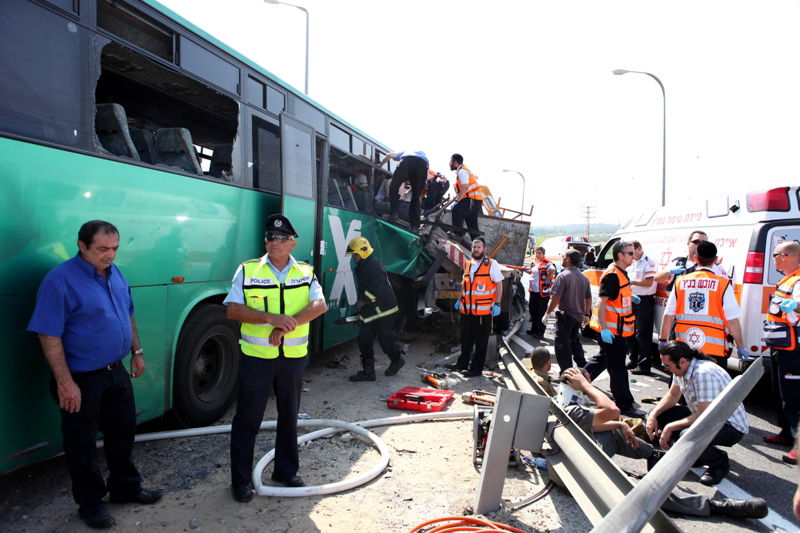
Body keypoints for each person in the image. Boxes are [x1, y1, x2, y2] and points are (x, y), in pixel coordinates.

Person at [27, 220, 162, 529]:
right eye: (102, 249)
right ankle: (90, 505)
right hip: (82, 379)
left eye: (114, 249)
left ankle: (126, 489)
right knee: (82, 444)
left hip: (116, 372)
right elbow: (49, 335)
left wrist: (137, 352)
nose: (110, 255)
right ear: (82, 245)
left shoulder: (116, 273)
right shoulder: (59, 281)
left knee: (123, 433)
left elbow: (127, 314)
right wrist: (66, 383)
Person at [562, 367, 767, 519]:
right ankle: (717, 506)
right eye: (585, 381)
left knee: (616, 428)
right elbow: (612, 411)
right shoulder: (570, 408)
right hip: (586, 472)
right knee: (641, 494)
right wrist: (588, 387)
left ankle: (654, 455)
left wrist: (622, 425)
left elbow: (594, 424)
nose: (588, 382)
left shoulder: (571, 408)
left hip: (585, 455)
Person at [226, 214, 328, 502]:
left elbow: (319, 305)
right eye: (271, 237)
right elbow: (233, 309)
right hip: (256, 358)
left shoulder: (306, 272)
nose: (275, 242)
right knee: (247, 419)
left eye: (282, 238)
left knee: (289, 417)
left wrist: (286, 325)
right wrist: (270, 318)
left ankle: (285, 471)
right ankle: (241, 481)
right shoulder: (247, 270)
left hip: (292, 358)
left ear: (293, 243)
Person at [646, 341, 749, 486]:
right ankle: (697, 455)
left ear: (682, 361)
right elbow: (672, 396)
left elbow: (704, 414)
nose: (666, 370)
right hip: (705, 415)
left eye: (667, 366)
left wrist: (670, 427)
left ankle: (719, 463)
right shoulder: (682, 368)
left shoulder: (703, 374)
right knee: (659, 414)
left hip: (729, 425)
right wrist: (653, 415)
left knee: (688, 435)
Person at [658, 241, 749, 364]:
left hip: (684, 348)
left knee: (683, 382)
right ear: (716, 259)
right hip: (714, 350)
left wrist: (663, 340)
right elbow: (733, 320)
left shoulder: (681, 282)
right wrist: (740, 346)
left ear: (696, 258)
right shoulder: (722, 284)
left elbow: (668, 314)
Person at [586, 241, 643, 418]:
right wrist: (604, 329)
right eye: (630, 253)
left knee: (603, 359)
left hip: (617, 330)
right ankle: (624, 404)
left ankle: (576, 382)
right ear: (620, 255)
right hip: (612, 331)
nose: (634, 257)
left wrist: (628, 297)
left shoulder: (619, 273)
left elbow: (614, 297)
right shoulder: (612, 275)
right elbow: (602, 303)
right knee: (618, 367)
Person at [345, 236, 405, 381]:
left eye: (355, 255)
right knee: (364, 339)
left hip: (385, 310)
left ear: (362, 253)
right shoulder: (364, 265)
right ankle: (368, 372)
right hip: (372, 309)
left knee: (385, 339)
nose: (353, 258)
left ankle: (397, 360)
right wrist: (362, 306)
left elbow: (375, 289)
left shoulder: (374, 266)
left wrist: (362, 302)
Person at [762, 240, 800, 464]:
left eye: (776, 255)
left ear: (786, 256)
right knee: (783, 395)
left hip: (794, 349)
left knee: (794, 397)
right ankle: (787, 433)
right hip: (782, 346)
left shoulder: (798, 281)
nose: (774, 258)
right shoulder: (787, 280)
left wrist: (793, 306)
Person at [446, 237, 504, 377]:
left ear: (484, 249)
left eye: (479, 247)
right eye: (474, 247)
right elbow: (464, 286)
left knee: (480, 341)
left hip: (483, 312)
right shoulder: (468, 264)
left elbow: (499, 284)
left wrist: (497, 303)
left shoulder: (491, 264)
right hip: (467, 310)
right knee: (465, 339)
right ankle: (462, 364)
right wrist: (460, 300)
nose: (476, 249)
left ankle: (476, 369)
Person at [543, 249, 591, 372]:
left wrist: (547, 313)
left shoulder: (563, 276)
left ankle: (567, 372)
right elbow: (588, 298)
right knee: (575, 343)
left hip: (566, 317)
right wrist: (586, 315)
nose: (562, 258)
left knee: (562, 347)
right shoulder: (584, 277)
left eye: (563, 256)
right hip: (577, 317)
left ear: (568, 260)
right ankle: (584, 368)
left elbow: (556, 298)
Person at [653, 230, 728, 287]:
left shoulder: (715, 265)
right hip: (679, 304)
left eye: (703, 242)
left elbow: (726, 286)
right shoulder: (678, 262)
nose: (700, 244)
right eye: (696, 241)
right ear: (688, 243)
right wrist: (668, 272)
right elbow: (657, 278)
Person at [627, 240, 657, 375]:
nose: (632, 255)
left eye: (633, 252)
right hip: (632, 299)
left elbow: (648, 282)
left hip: (644, 300)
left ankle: (644, 365)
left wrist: (631, 281)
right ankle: (633, 359)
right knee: (631, 332)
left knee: (643, 333)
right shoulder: (634, 262)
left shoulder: (648, 261)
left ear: (639, 249)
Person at [379, 150, 429, 232]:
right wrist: (408, 191)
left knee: (393, 187)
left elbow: (389, 155)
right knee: (416, 197)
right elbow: (418, 185)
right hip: (422, 166)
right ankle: (414, 226)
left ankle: (394, 213)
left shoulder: (405, 153)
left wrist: (381, 164)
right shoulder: (425, 159)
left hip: (406, 162)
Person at [449, 153, 484, 241]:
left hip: (472, 199)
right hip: (475, 200)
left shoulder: (462, 171)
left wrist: (458, 199)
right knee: (472, 224)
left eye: (450, 161)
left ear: (456, 162)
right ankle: (478, 242)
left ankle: (458, 234)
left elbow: (465, 187)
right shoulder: (464, 170)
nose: (449, 164)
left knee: (456, 209)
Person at [527, 247, 557, 338]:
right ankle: (534, 330)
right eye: (536, 253)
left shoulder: (547, 263)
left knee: (541, 312)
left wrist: (546, 279)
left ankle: (540, 333)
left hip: (543, 292)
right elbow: (532, 272)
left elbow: (552, 270)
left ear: (543, 254)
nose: (537, 255)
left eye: (539, 253)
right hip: (534, 291)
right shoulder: (534, 262)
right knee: (533, 311)